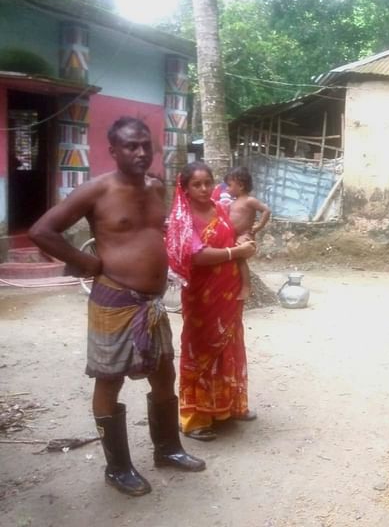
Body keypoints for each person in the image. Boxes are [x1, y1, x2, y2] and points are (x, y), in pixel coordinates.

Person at [28, 117, 205, 497]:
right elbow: (42, 231)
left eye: (146, 144)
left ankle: (168, 449)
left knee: (163, 373)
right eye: (130, 146)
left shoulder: (158, 187)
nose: (141, 152)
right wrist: (89, 263)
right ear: (113, 151)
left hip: (152, 305)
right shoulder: (96, 191)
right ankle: (118, 468)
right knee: (110, 380)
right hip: (114, 300)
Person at [166, 162, 257, 441]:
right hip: (202, 294)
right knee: (201, 347)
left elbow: (234, 234)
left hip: (229, 290)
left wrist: (245, 240)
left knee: (230, 345)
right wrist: (236, 251)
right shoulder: (182, 218)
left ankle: (228, 407)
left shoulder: (220, 209)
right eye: (197, 184)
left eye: (208, 182)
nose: (204, 189)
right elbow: (197, 255)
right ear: (185, 188)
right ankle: (195, 418)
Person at [225, 166, 271, 300]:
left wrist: (259, 226)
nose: (227, 189)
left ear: (240, 185)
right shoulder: (233, 203)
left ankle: (246, 287)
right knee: (230, 258)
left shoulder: (249, 200)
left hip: (245, 235)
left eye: (229, 185)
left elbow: (266, 210)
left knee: (240, 258)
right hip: (234, 236)